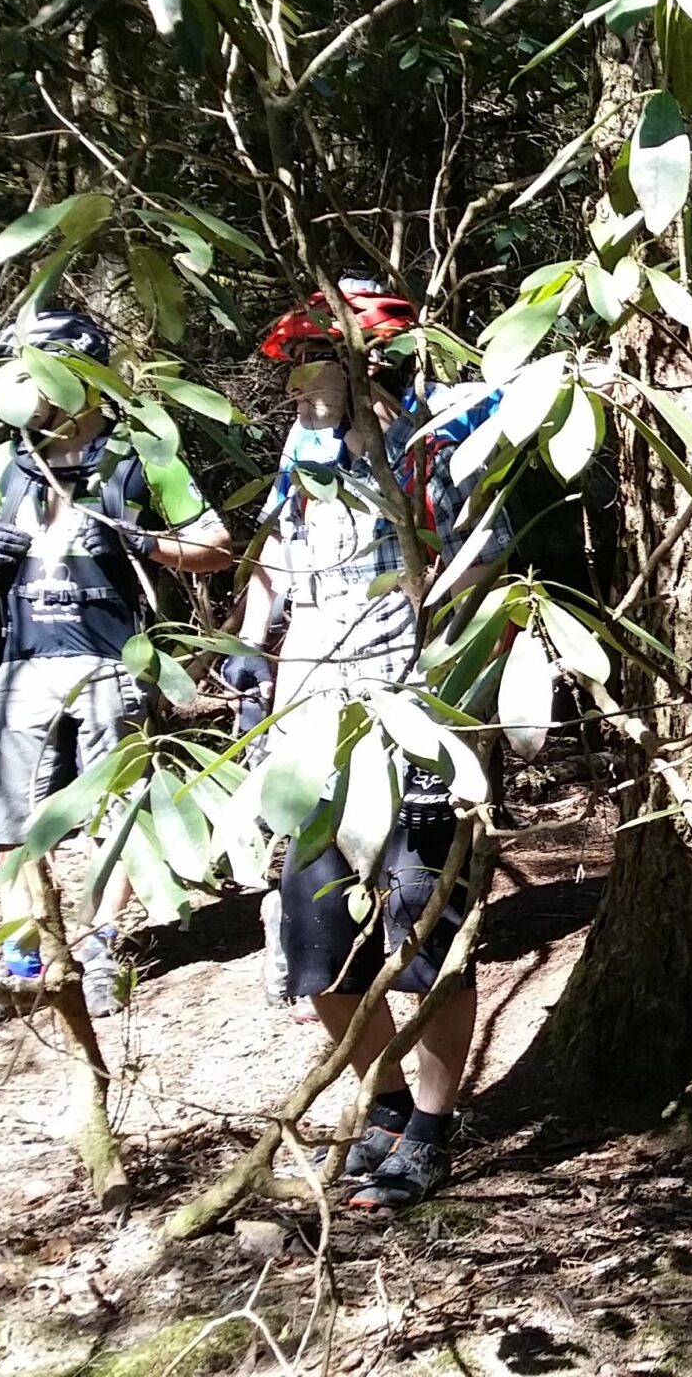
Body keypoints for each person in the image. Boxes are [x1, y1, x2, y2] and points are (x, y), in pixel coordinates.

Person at [221, 283, 511, 1211]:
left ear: (366, 365)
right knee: (316, 941)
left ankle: (432, 1124)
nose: (303, 388)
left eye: (318, 365)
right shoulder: (298, 454)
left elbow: (485, 568)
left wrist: (463, 708)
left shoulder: (438, 446)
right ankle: (382, 1098)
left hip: (415, 725)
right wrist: (248, 650)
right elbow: (274, 561)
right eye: (297, 370)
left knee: (423, 930)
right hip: (311, 728)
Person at [0, 309, 235, 1028]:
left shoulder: (137, 456)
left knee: (117, 815)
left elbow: (216, 544)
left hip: (111, 660)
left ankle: (97, 952)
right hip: (24, 663)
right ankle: (26, 962)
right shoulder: (8, 462)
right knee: (11, 822)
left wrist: (143, 542)